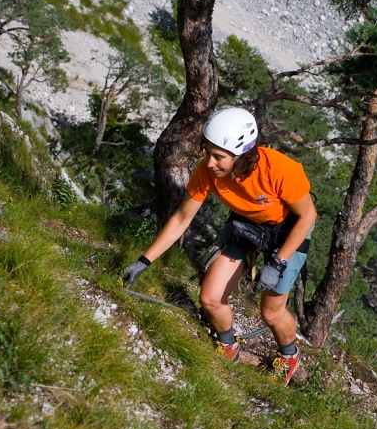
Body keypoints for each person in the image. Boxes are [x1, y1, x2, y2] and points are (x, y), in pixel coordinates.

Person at [122, 107, 317, 386]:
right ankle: (228, 346)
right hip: (247, 224)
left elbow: (308, 215)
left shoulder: (280, 169)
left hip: (289, 229)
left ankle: (289, 354)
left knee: (271, 311)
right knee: (210, 298)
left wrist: (277, 263)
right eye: (207, 152)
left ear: (242, 155)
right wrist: (144, 261)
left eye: (218, 156)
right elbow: (181, 217)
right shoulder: (208, 171)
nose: (210, 163)